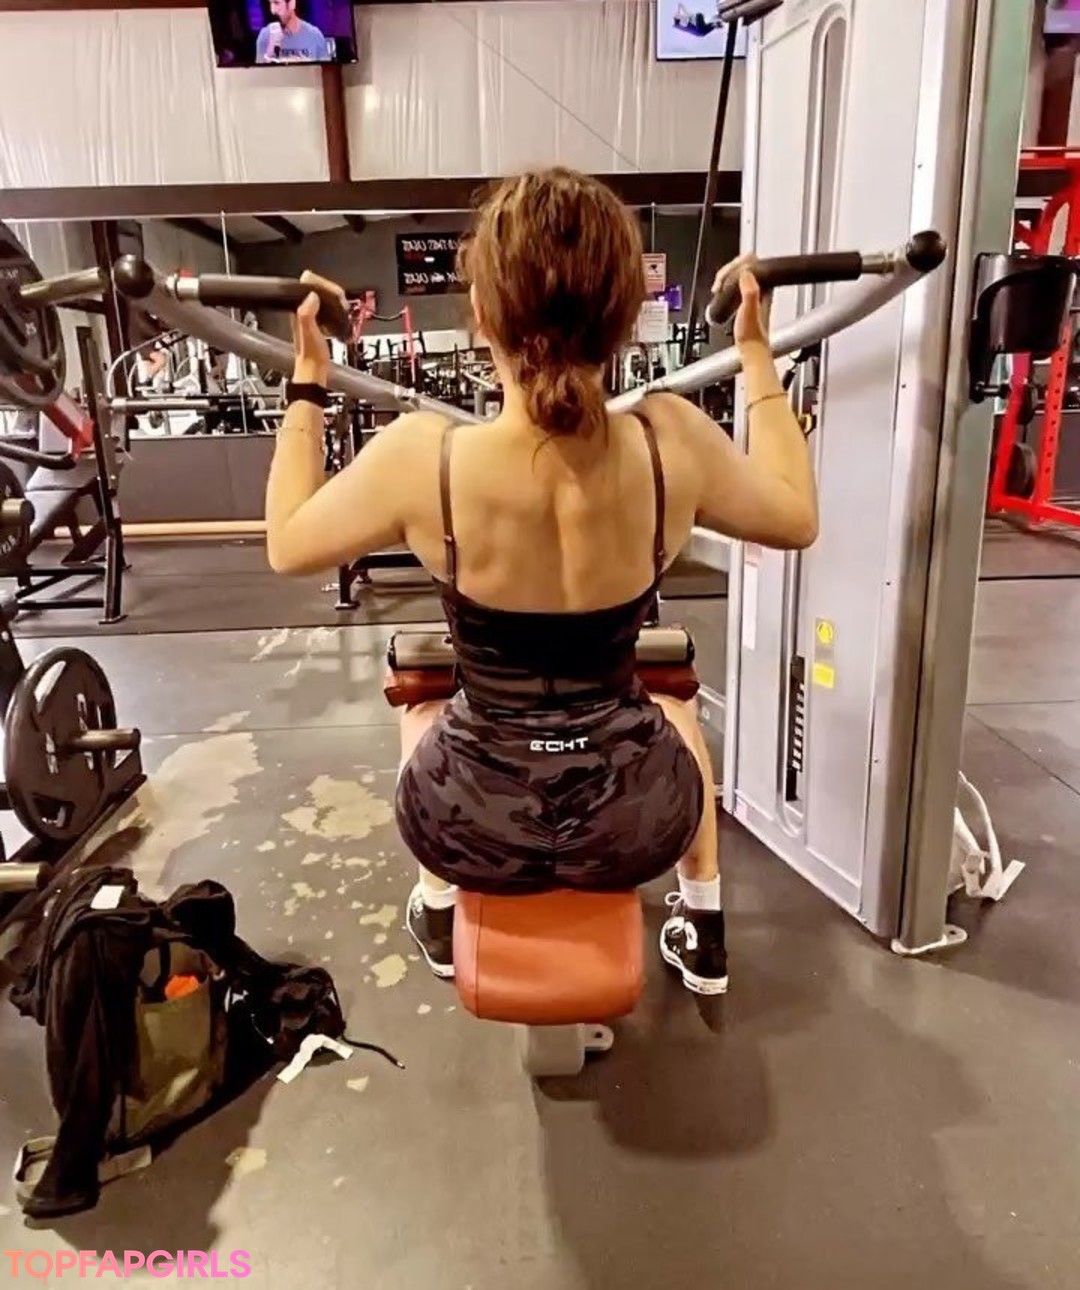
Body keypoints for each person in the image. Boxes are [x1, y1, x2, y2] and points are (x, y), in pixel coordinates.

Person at [264, 168, 818, 997]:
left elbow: (287, 543)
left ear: (481, 313)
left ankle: (439, 910)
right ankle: (702, 919)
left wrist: (308, 378)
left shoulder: (422, 456)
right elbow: (796, 516)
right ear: (625, 314)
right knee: (674, 707)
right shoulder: (672, 440)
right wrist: (756, 356)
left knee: (421, 708)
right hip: (634, 823)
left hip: (469, 824)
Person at [255, 0, 332, 64]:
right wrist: (270, 49)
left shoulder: (314, 35)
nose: (273, 10)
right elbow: (259, 74)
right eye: (270, 3)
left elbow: (327, 71)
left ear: (292, 4)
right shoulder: (265, 35)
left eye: (276, 3)